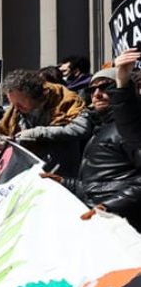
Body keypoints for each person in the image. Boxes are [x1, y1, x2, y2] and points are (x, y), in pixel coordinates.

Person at [53, 50, 141, 228]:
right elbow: (101, 185)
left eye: (106, 87)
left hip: (125, 227)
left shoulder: (130, 130)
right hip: (100, 222)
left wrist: (108, 207)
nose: (97, 94)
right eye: (92, 89)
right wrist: (64, 182)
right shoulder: (99, 129)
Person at [0, 69, 90, 177]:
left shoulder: (65, 100)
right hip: (28, 175)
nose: (15, 108)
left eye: (20, 103)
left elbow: (81, 128)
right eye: (12, 103)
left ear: (33, 95)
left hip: (60, 175)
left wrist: (38, 133)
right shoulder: (14, 112)